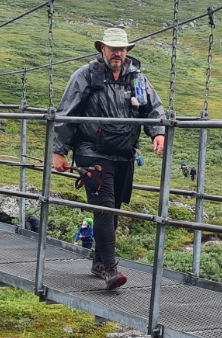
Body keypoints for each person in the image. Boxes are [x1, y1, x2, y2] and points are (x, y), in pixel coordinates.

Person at [52, 27, 165, 290]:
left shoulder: (136, 78)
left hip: (124, 154)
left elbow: (153, 108)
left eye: (121, 49)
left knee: (113, 210)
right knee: (105, 208)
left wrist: (158, 132)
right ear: (102, 48)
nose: (118, 53)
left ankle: (99, 262)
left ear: (127, 51)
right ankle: (111, 270)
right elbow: (66, 113)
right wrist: (59, 151)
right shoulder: (85, 76)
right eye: (113, 48)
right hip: (91, 152)